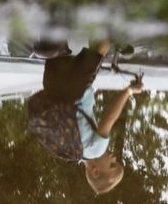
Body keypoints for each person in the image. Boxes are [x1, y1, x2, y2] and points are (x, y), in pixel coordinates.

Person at [27, 40, 143, 195]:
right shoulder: (71, 151)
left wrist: (129, 91)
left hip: (76, 90)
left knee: (101, 47)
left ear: (95, 171)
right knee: (54, 44)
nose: (114, 158)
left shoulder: (96, 151)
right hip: (53, 91)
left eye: (112, 165)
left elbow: (109, 117)